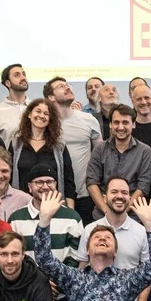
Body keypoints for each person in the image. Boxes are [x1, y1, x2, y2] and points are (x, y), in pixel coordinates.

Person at [6, 163, 83, 301]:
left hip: (62, 293)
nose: (45, 186)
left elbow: (76, 256)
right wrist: (41, 284)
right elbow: (15, 257)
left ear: (56, 185)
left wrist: (56, 283)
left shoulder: (72, 217)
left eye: (50, 182)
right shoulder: (16, 218)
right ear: (29, 187)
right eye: (39, 182)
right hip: (28, 291)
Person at [44, 77, 102, 222]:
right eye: (61, 86)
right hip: (54, 197)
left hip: (86, 195)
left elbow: (101, 157)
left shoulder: (89, 120)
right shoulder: (45, 124)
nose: (68, 88)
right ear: (50, 97)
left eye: (68, 85)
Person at [86, 104, 151, 219]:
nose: (120, 127)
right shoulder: (99, 149)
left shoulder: (145, 151)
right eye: (116, 122)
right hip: (102, 215)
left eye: (125, 122)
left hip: (133, 216)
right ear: (111, 125)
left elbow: (143, 186)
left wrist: (121, 214)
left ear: (134, 124)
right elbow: (92, 182)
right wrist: (107, 212)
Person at [9, 98, 76, 205]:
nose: (41, 116)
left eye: (46, 113)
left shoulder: (59, 146)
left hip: (53, 205)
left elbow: (68, 180)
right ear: (29, 114)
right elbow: (9, 177)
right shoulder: (16, 144)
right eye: (38, 111)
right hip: (21, 206)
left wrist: (70, 210)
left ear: (50, 119)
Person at [0, 63, 31, 143]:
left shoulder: (37, 108)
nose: (23, 78)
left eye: (24, 74)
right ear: (8, 83)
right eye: (17, 75)